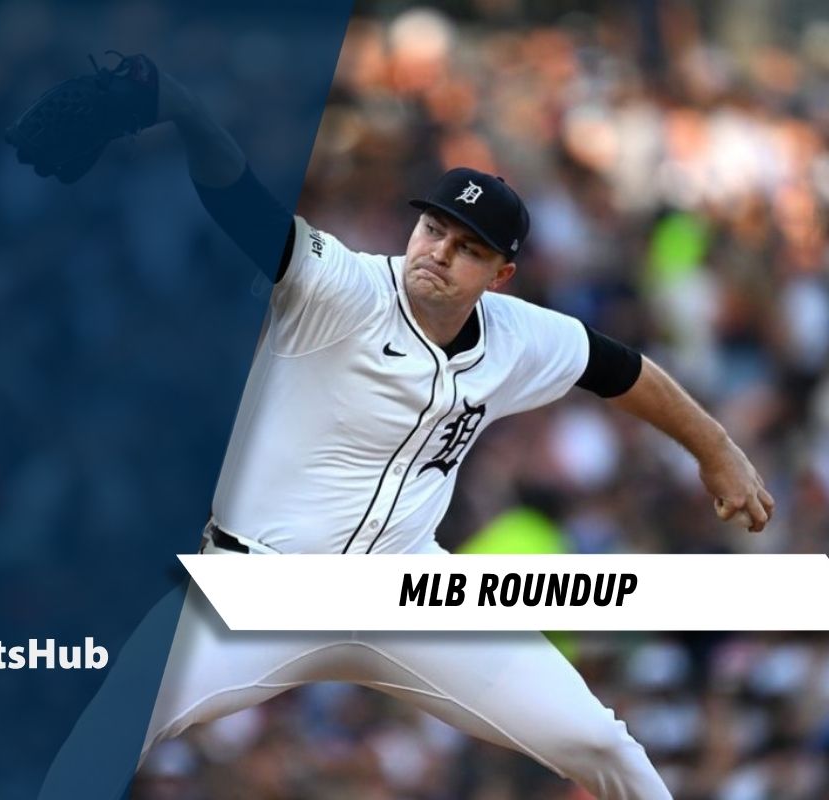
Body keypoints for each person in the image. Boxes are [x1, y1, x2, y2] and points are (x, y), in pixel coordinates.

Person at [129, 66, 774, 799]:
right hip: (258, 587)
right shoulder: (341, 287)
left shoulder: (518, 335)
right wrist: (182, 108)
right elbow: (239, 201)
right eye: (433, 228)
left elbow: (624, 370)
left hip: (408, 590)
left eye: (467, 246)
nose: (437, 250)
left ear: (501, 275)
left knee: (602, 743)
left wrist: (715, 448)